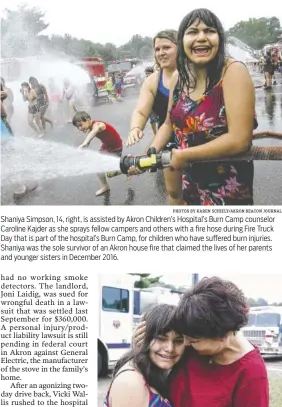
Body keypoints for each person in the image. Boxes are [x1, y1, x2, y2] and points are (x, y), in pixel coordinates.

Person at [147, 9, 257, 205]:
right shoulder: (178, 78)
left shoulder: (233, 72)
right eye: (192, 32)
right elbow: (167, 123)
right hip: (190, 186)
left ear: (220, 38)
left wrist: (182, 155)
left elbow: (240, 140)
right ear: (182, 41)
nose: (201, 38)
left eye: (209, 31)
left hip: (226, 191)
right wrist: (152, 150)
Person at [134, 277, 269, 407]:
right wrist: (141, 347)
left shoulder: (251, 373)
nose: (185, 343)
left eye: (193, 340)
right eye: (183, 337)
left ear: (223, 335)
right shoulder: (194, 334)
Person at [126, 29, 183, 205]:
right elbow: (141, 111)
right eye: (157, 49)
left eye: (166, 47)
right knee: (174, 192)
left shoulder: (194, 73)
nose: (161, 53)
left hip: (196, 139)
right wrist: (136, 128)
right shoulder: (152, 81)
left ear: (179, 47)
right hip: (166, 140)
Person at [104, 304, 185, 407]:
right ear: (144, 338)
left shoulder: (156, 371)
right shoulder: (130, 383)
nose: (170, 348)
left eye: (178, 341)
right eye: (161, 338)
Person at [72, 111, 123, 196]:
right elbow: (90, 137)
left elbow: (94, 131)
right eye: (78, 127)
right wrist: (84, 147)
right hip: (106, 147)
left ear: (88, 120)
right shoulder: (90, 127)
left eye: (80, 125)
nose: (80, 128)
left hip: (115, 148)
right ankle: (105, 186)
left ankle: (126, 169)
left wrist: (85, 143)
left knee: (111, 173)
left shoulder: (98, 125)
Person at [144, 66, 159, 136]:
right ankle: (155, 134)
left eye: (149, 73)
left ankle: (161, 133)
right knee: (152, 120)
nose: (147, 75)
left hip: (158, 103)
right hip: (150, 104)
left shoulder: (157, 80)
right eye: (146, 73)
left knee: (160, 118)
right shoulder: (146, 82)